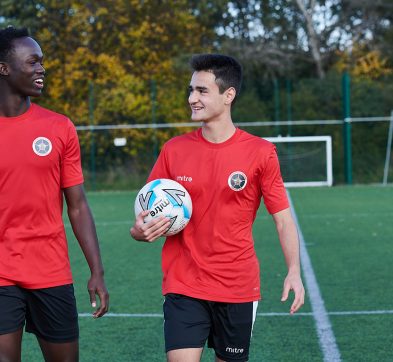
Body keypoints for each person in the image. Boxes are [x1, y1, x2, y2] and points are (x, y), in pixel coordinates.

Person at [130, 53, 304, 362]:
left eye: (201, 91)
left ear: (229, 95)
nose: (191, 98)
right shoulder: (174, 150)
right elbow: (144, 213)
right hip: (184, 284)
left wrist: (294, 271)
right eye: (191, 90)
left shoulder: (261, 153)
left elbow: (283, 220)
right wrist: (139, 231)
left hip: (237, 286)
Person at [0, 26, 109, 361]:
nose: (41, 69)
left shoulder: (59, 127)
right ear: (3, 68)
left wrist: (97, 271)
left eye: (42, 62)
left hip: (50, 270)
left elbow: (77, 206)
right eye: (32, 61)